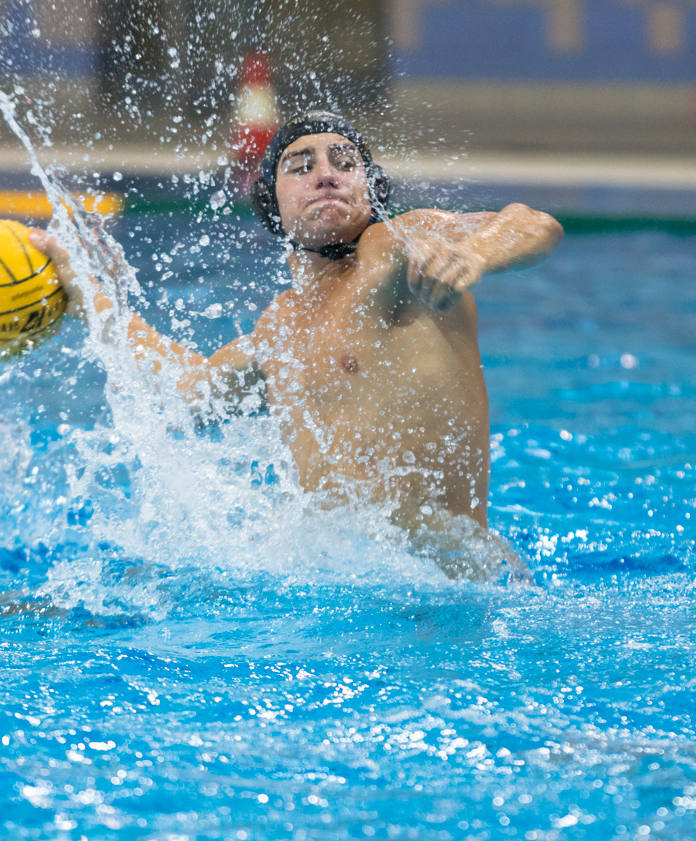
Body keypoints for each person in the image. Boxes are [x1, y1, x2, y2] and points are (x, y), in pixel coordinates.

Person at [31, 112, 563, 579]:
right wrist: (86, 296)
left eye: (344, 162)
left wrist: (477, 256)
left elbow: (533, 225)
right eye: (301, 166)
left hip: (451, 588)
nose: (326, 175)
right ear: (271, 201)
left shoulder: (394, 252)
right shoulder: (279, 329)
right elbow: (190, 391)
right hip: (337, 591)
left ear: (371, 189)